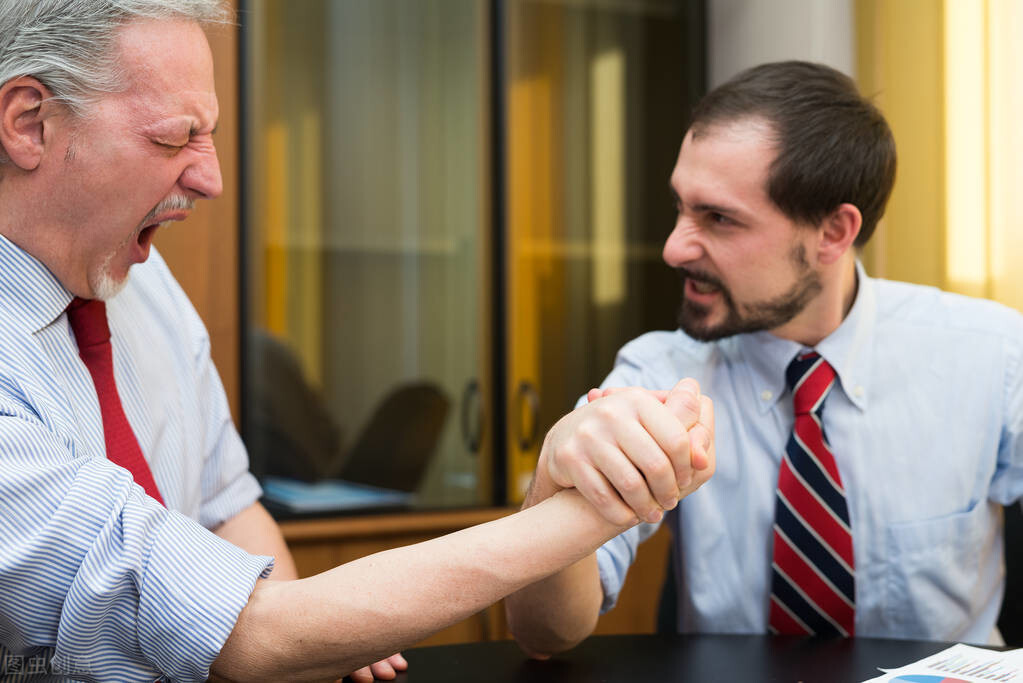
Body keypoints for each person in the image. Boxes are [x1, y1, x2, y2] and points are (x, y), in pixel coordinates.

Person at [0, 1, 714, 680]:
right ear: (29, 122)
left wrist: (326, 632)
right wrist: (577, 490)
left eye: (208, 134)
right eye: (171, 137)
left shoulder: (146, 286)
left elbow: (227, 504)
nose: (210, 177)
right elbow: (253, 633)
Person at [505, 60, 1023, 654]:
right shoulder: (656, 377)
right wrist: (554, 478)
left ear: (833, 233)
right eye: (680, 206)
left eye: (719, 219)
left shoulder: (993, 355)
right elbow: (544, 634)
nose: (674, 248)